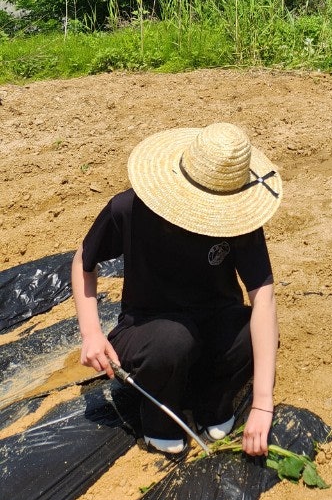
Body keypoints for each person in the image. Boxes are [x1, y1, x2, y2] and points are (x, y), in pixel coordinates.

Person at [71, 121, 282, 457]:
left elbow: (264, 297)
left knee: (254, 333)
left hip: (215, 318)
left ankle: (213, 402)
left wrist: (262, 404)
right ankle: (159, 420)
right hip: (149, 326)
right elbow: (84, 260)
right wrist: (91, 333)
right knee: (172, 342)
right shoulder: (129, 209)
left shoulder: (238, 221)